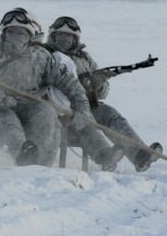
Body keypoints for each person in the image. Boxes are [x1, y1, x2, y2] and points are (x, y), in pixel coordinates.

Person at [0, 7, 109, 167]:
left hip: (28, 103)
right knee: (7, 120)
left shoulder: (41, 57)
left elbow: (69, 83)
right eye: (11, 31)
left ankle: (40, 166)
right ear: (4, 32)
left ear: (30, 35)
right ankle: (21, 156)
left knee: (46, 112)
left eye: (21, 33)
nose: (15, 36)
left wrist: (82, 106)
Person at [46, 16, 163, 172]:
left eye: (69, 35)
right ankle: (105, 156)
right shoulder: (45, 55)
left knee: (110, 113)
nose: (65, 39)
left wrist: (96, 86)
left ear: (75, 39)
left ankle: (139, 155)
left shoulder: (85, 58)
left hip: (88, 104)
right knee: (84, 118)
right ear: (53, 36)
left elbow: (104, 91)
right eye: (60, 34)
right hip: (60, 109)